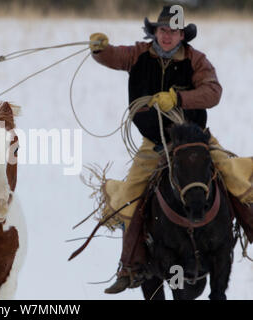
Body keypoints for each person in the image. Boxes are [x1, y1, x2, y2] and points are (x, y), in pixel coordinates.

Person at [88, 5, 253, 294]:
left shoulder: (196, 60)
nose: (167, 36)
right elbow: (113, 56)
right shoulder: (138, 54)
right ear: (155, 32)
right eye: (163, 30)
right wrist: (99, 50)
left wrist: (177, 98)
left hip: (195, 141)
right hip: (155, 145)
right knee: (129, 198)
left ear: (182, 35)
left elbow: (213, 92)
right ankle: (130, 266)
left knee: (233, 176)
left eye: (173, 31)